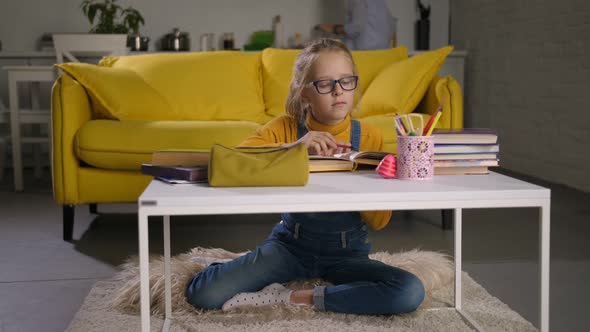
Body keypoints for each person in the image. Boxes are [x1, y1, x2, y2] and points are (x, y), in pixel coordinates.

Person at [185, 38, 424, 315]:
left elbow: (380, 221)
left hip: (348, 254)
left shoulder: (368, 135)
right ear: (304, 93)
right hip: (290, 247)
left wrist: (367, 179)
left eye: (346, 80)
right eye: (325, 84)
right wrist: (294, 148)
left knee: (409, 291)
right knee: (203, 293)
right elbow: (235, 160)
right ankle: (234, 267)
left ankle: (298, 298)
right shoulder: (285, 128)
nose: (338, 91)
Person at [319, 0, 397, 50]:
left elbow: (356, 28)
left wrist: (334, 28)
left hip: (364, 55)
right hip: (382, 53)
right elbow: (392, 27)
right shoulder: (381, 2)